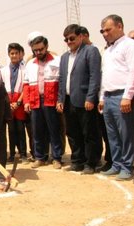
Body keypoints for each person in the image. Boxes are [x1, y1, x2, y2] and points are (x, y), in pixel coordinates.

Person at [57, 24, 102, 174]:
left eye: (72, 38)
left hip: (85, 100)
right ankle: (77, 161)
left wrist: (90, 97)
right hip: (69, 100)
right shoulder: (64, 57)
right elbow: (62, 80)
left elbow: (94, 77)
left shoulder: (90, 51)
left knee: (89, 133)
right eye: (66, 39)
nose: (69, 41)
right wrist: (60, 99)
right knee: (72, 132)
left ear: (81, 36)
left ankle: (91, 163)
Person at [99, 14, 134, 181]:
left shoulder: (130, 45)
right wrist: (102, 97)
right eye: (102, 31)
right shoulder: (108, 50)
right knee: (112, 134)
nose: (105, 33)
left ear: (120, 26)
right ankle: (116, 164)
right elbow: (105, 75)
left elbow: (133, 72)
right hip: (108, 96)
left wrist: (127, 96)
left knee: (126, 133)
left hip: (122, 95)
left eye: (108, 29)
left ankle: (127, 166)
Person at [23, 35, 63, 169]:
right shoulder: (30, 64)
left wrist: (60, 100)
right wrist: (27, 101)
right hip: (35, 100)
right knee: (37, 130)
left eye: (41, 49)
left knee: (54, 130)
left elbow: (61, 82)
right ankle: (40, 157)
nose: (38, 52)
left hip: (51, 100)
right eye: (36, 50)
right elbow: (26, 84)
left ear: (46, 47)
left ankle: (56, 158)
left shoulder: (57, 61)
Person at [80, 26, 112, 172]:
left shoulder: (97, 51)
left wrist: (95, 97)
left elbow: (97, 76)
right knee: (98, 131)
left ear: (85, 36)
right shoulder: (79, 53)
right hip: (98, 98)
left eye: (77, 37)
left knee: (106, 132)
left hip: (100, 96)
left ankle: (111, 160)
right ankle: (104, 159)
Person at [1, 43, 28, 164]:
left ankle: (23, 154)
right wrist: (8, 103)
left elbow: (25, 87)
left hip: (20, 103)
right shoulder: (4, 70)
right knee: (11, 130)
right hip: (8, 103)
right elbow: (1, 88)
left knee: (21, 129)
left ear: (20, 54)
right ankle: (11, 154)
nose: (14, 55)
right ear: (8, 54)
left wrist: (18, 102)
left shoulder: (24, 69)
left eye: (16, 53)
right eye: (12, 53)